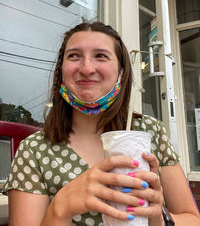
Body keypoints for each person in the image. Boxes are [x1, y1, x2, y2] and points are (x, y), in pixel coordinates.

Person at [3, 22, 200, 226]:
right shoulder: (34, 150)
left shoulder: (151, 132)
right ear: (61, 71)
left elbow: (193, 219)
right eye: (74, 56)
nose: (87, 68)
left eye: (101, 56)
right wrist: (60, 208)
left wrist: (160, 216)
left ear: (121, 73)